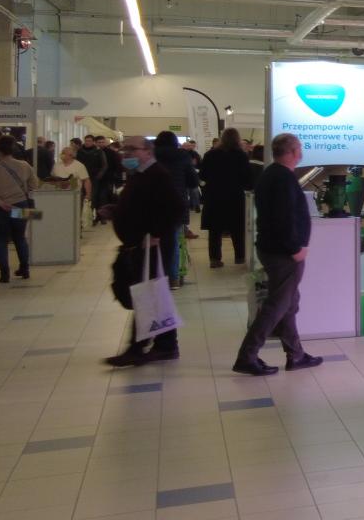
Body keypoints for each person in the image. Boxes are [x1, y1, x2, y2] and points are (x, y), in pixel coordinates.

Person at [235, 134, 322, 376]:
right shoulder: (282, 178)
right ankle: (247, 356)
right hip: (283, 253)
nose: (301, 152)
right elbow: (283, 219)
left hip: (273, 248)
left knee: (289, 304)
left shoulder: (272, 174)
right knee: (277, 305)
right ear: (293, 151)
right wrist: (295, 248)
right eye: (300, 148)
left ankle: (296, 354)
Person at [102, 136, 187, 367]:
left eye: (133, 149)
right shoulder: (140, 174)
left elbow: (177, 208)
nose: (127, 153)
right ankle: (163, 344)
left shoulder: (157, 175)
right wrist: (117, 210)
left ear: (148, 151)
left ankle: (140, 347)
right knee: (151, 294)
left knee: (147, 294)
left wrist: (157, 233)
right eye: (125, 149)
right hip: (139, 244)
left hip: (152, 246)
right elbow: (144, 206)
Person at [200, 128, 256, 267]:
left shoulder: (210, 154)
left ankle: (215, 259)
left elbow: (202, 175)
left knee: (215, 230)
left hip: (214, 196)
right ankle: (240, 257)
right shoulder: (241, 156)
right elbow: (248, 179)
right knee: (237, 228)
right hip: (234, 196)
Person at [0, 136, 40, 282]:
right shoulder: (24, 165)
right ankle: (25, 269)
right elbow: (34, 185)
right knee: (20, 237)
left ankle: (4, 274)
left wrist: (1, 203)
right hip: (20, 205)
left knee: (0, 240)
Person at [154, 132, 198, 284]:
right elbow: (193, 181)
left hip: (153, 202)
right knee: (173, 241)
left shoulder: (151, 155)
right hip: (176, 202)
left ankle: (155, 276)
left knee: (153, 241)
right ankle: (172, 278)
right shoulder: (182, 155)